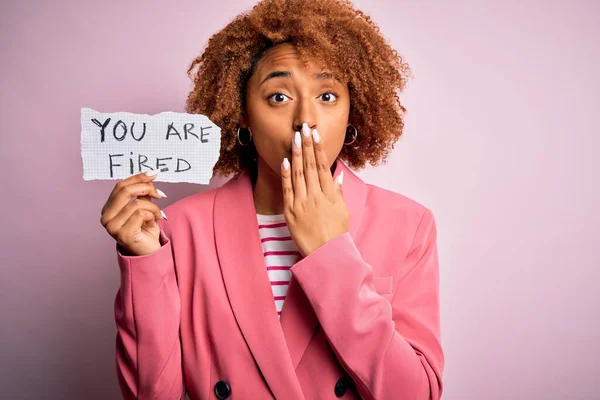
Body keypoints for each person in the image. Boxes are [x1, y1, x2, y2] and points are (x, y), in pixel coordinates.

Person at [100, 0, 444, 398]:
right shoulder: (177, 229)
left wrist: (331, 253)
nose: (305, 120)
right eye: (278, 97)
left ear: (354, 110)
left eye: (328, 96)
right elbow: (151, 396)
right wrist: (144, 263)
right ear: (243, 112)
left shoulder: (408, 224)